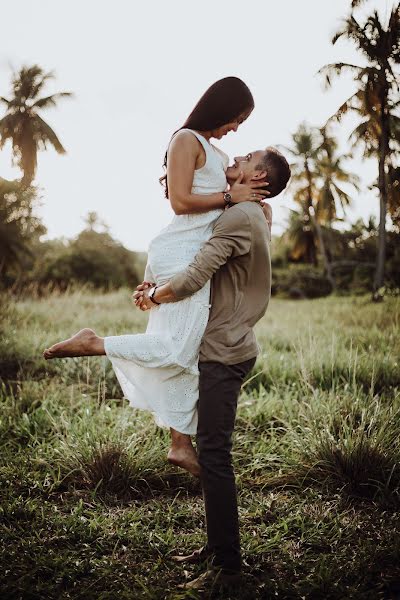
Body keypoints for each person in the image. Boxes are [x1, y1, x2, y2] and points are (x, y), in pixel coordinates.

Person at [42, 76, 269, 478]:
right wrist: (233, 197)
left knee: (189, 351)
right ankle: (94, 343)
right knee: (179, 347)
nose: (236, 128)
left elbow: (234, 205)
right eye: (236, 118)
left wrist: (258, 206)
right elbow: (181, 202)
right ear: (221, 107)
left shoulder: (218, 151)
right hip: (183, 249)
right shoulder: (185, 140)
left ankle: (180, 444)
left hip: (194, 251)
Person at [133, 147, 291, 593]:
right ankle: (216, 548)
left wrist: (154, 297)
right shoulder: (256, 214)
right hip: (231, 344)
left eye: (247, 156)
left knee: (215, 456)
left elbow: (196, 275)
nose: (235, 156)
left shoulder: (240, 217)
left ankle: (228, 567)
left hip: (224, 351)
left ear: (257, 174)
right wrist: (160, 286)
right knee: (212, 450)